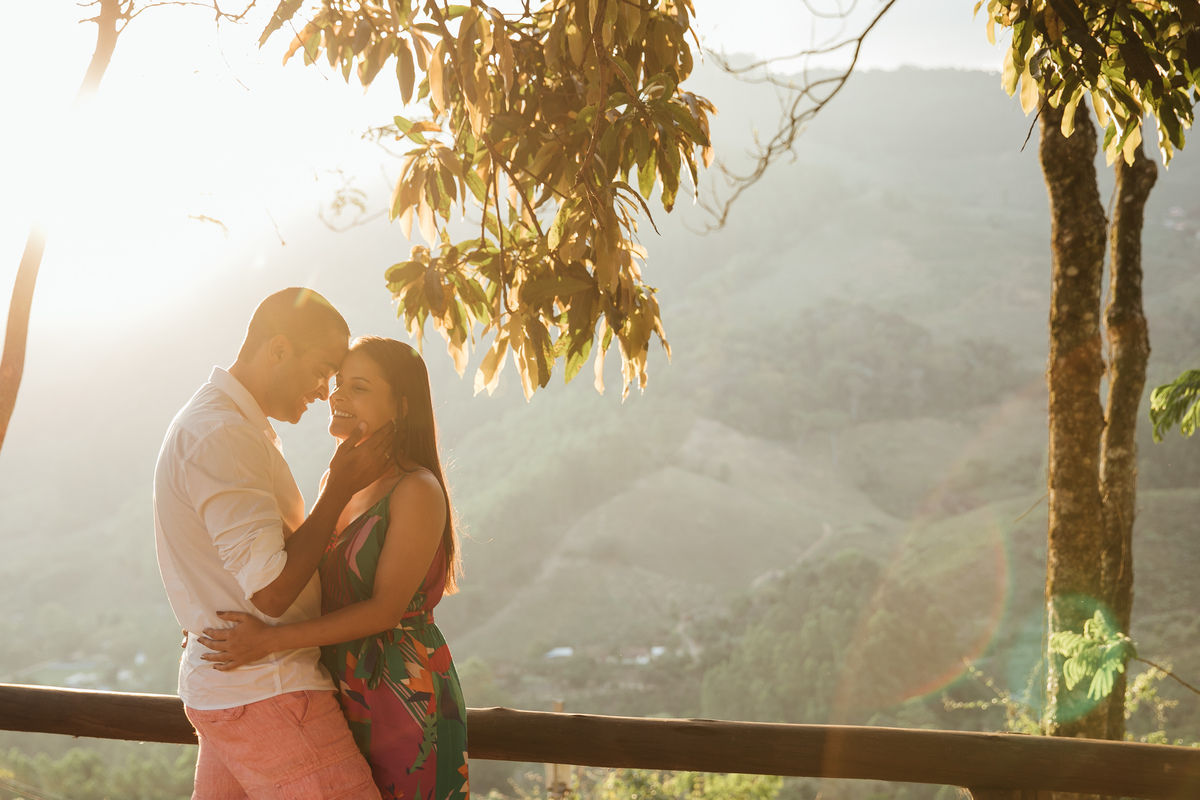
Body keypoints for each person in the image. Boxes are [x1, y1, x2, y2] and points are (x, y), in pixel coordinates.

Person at [197, 336, 469, 800]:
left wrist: (266, 641)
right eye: (339, 382)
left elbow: (384, 610)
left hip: (401, 689)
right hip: (332, 681)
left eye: (358, 387)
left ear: (401, 405)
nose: (337, 395)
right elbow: (290, 570)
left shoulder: (416, 489)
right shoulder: (336, 481)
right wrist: (210, 614)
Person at [153, 287, 393, 799]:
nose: (325, 392)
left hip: (233, 690)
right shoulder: (223, 434)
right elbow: (272, 592)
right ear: (279, 348)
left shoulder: (222, 423)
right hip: (270, 692)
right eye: (322, 371)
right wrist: (338, 489)